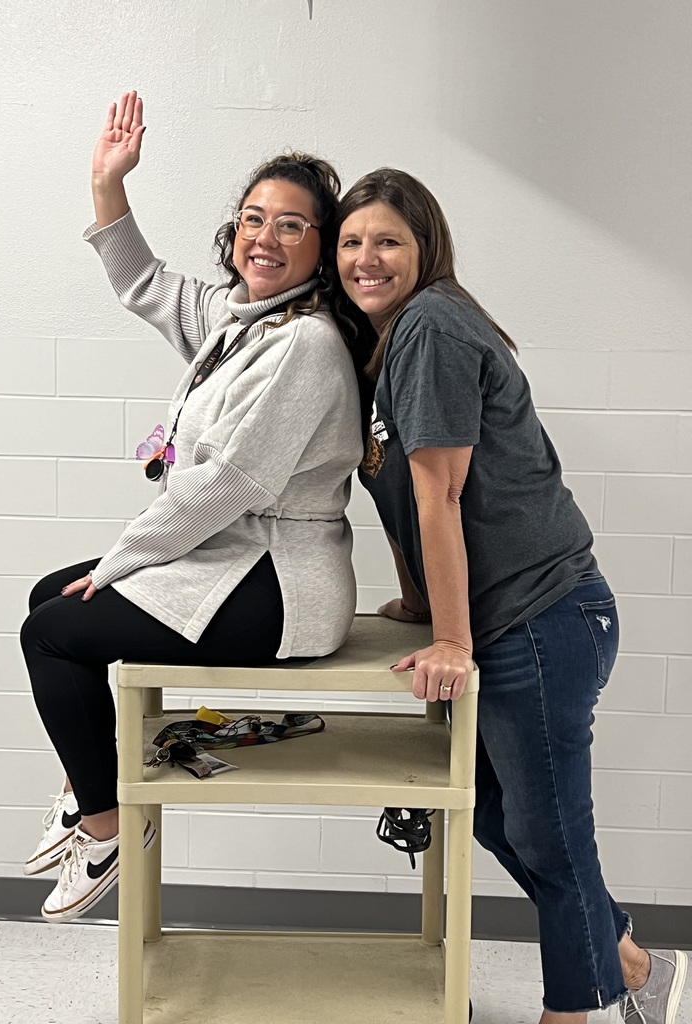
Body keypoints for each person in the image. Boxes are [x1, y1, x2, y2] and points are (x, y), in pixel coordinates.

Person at [336, 168, 687, 1024]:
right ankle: (635, 967)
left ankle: (575, 1011)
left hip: (541, 618)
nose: (366, 258)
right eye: (350, 242)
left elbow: (442, 495)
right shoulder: (387, 347)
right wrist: (422, 604)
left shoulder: (430, 326)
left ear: (426, 249)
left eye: (388, 241)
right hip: (508, 623)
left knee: (550, 837)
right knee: (497, 817)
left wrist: (452, 641)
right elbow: (398, 493)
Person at [19, 92, 362, 924]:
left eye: (291, 225)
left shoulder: (307, 342)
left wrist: (121, 559)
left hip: (282, 585)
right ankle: (90, 784)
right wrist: (108, 182)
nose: (264, 237)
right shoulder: (240, 321)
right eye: (253, 219)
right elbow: (144, 282)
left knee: (52, 633)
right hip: (232, 558)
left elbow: (229, 483)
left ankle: (106, 828)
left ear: (321, 247)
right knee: (47, 597)